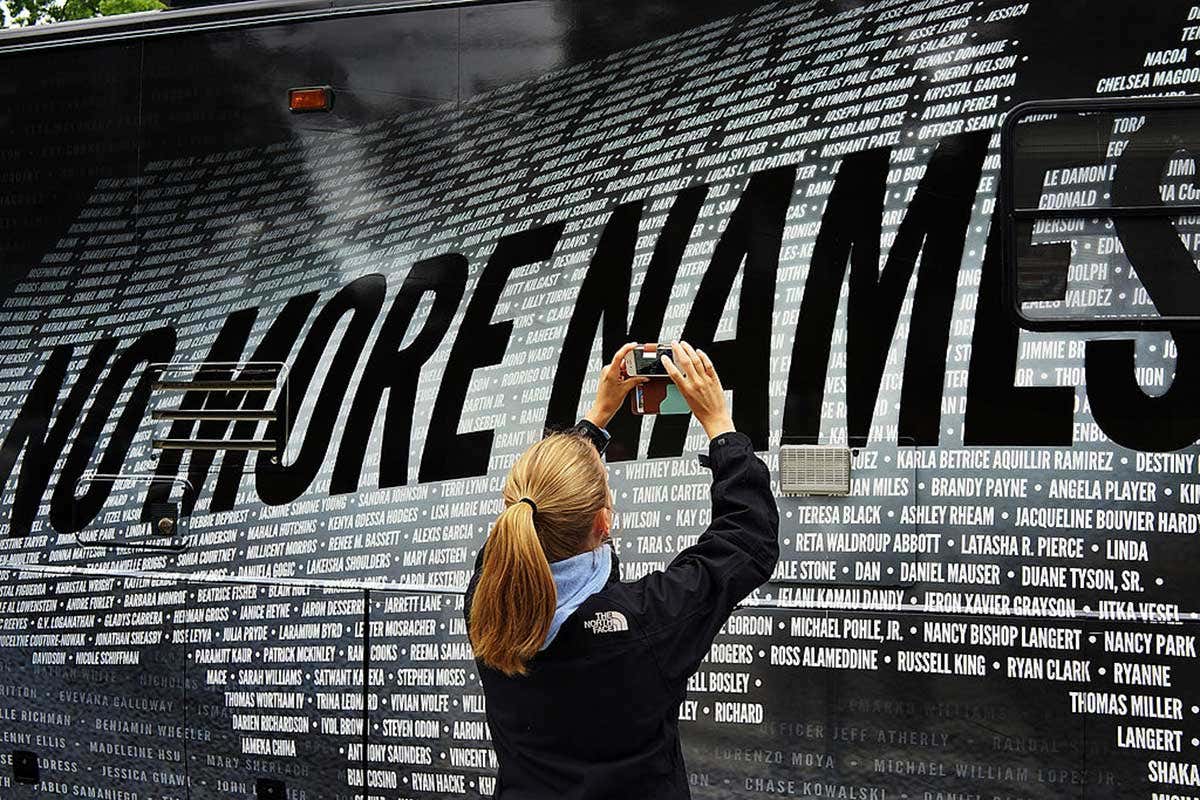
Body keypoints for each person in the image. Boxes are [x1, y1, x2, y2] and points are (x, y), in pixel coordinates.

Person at [463, 340, 780, 799]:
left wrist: (596, 419)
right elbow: (747, 541)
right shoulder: (646, 623)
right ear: (604, 522)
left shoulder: (488, 603)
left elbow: (743, 539)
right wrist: (720, 425)